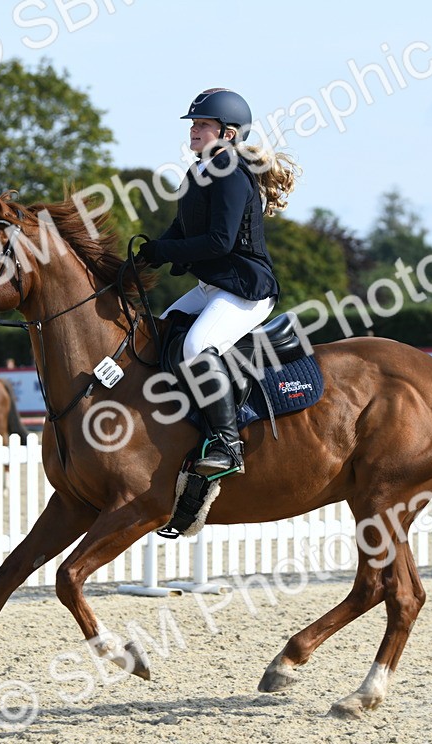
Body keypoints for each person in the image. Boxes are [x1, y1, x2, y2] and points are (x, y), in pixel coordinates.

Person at [136, 88, 299, 477]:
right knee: (156, 334)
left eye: (203, 124)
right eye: (194, 123)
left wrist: (165, 252)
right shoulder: (199, 171)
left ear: (228, 133)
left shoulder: (232, 176)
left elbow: (219, 241)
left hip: (246, 288)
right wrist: (142, 257)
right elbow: (180, 229)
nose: (194, 130)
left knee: (196, 345)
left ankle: (228, 443)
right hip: (215, 285)